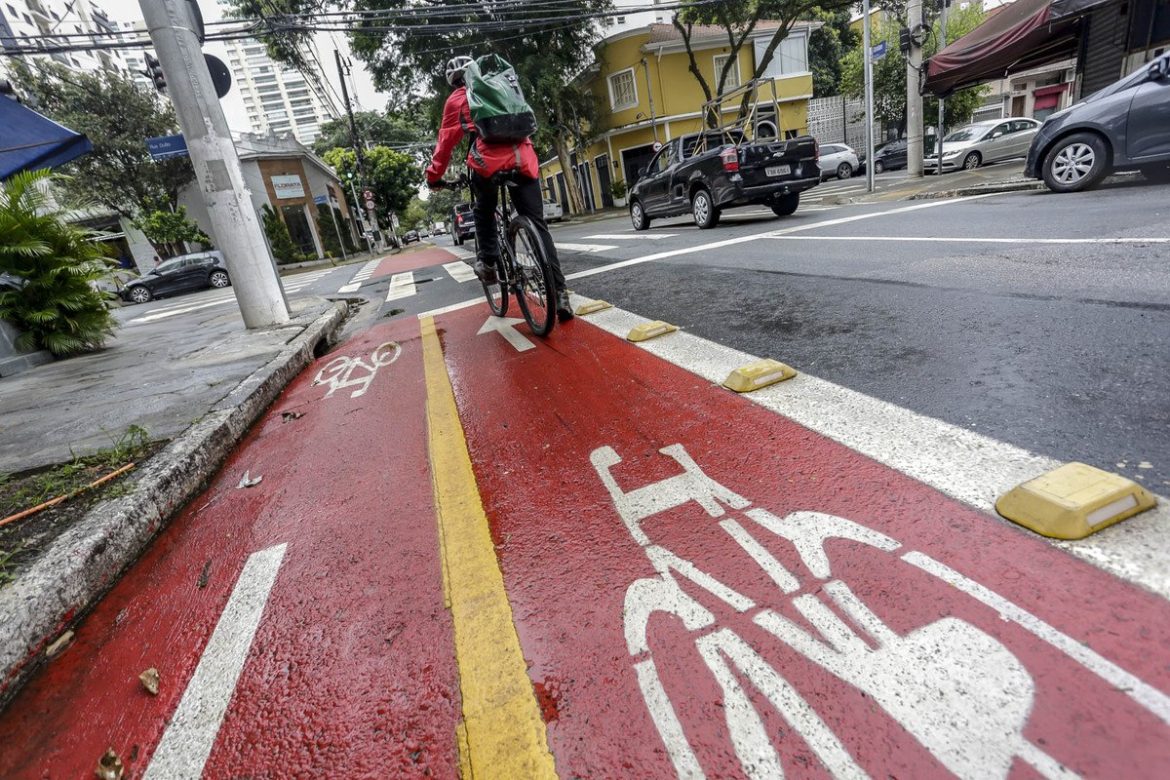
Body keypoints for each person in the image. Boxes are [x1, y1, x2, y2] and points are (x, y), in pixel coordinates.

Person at [425, 55, 572, 321]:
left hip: (488, 163)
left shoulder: (457, 99)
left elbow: (445, 144)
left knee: (483, 208)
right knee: (538, 225)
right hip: (524, 159)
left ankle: (489, 262)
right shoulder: (501, 84)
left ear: (452, 81)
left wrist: (433, 177)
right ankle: (560, 294)